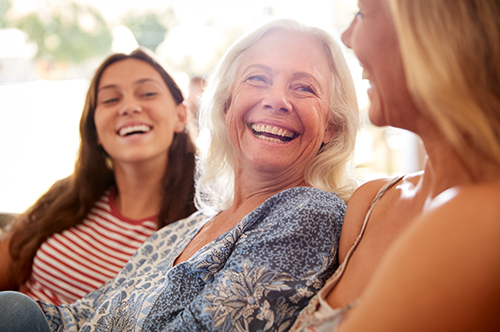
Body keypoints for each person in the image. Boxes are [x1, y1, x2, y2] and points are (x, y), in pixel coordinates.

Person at [0, 18, 359, 332]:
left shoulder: (308, 214)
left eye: (304, 87)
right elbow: (83, 314)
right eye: (258, 78)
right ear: (226, 104)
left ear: (332, 125)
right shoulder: (188, 228)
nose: (277, 99)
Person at [291, 0, 500, 331]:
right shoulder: (371, 203)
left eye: (362, 13)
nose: (346, 37)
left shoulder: (482, 217)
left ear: (433, 33)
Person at [0, 48, 197, 305]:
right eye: (110, 100)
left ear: (180, 116)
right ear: (96, 131)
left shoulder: (202, 228)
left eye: (147, 93)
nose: (129, 107)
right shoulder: (66, 195)